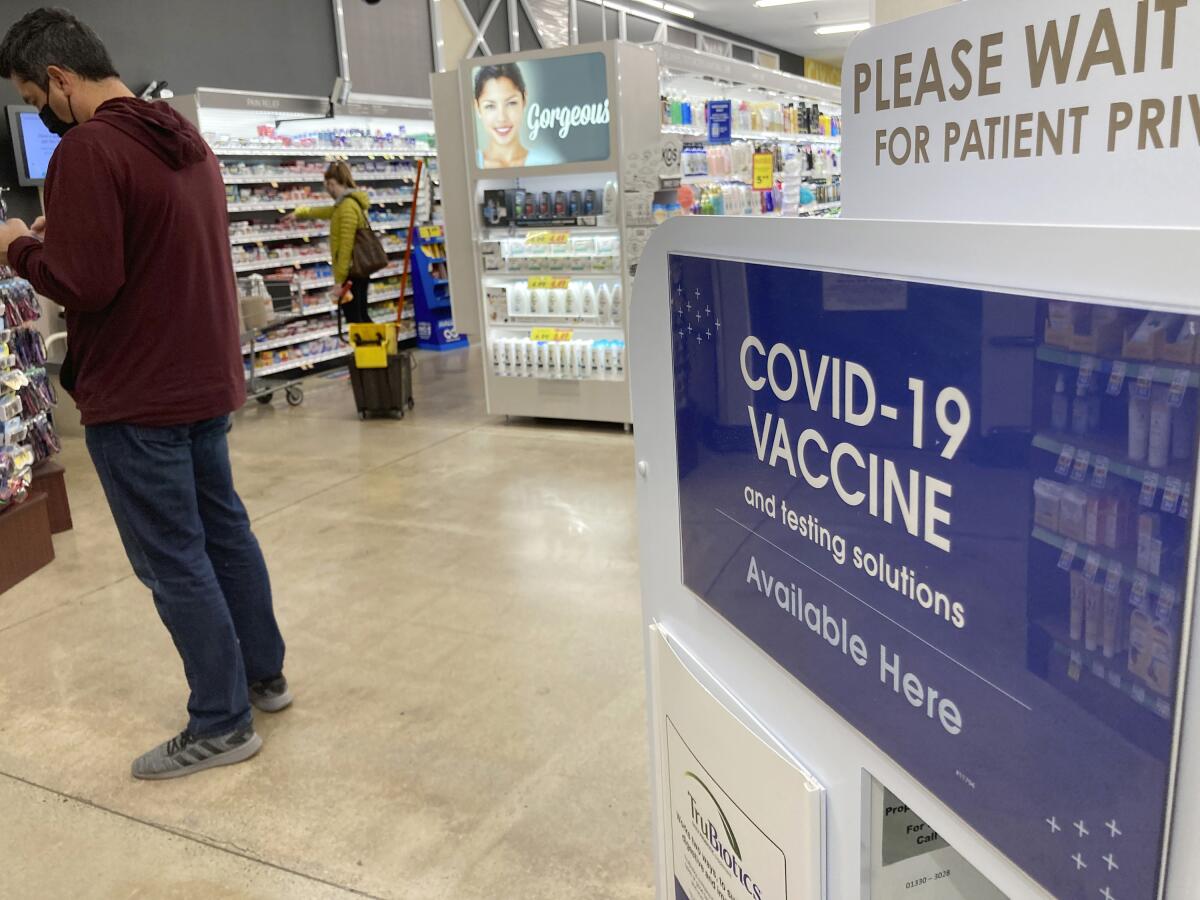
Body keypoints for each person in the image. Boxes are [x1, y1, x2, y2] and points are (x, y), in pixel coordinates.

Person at [0, 8, 290, 780]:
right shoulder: (180, 138)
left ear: (59, 79)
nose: (39, 114)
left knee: (173, 559)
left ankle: (221, 722)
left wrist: (21, 245)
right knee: (225, 535)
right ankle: (263, 677)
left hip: (136, 393)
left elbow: (85, 283)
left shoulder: (91, 150)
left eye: (34, 97)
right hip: (202, 380)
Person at [282, 161, 372, 323]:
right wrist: (300, 213)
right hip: (356, 271)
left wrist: (340, 281)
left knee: (356, 320)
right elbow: (327, 211)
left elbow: (346, 247)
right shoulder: (345, 205)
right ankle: (375, 347)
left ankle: (372, 348)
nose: (328, 189)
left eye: (330, 184)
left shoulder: (347, 206)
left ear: (338, 183)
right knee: (360, 317)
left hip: (351, 273)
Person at [474, 62, 530, 169]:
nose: (501, 118)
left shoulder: (549, 160)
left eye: (511, 103)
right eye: (490, 106)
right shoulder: (470, 165)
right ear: (477, 107)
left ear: (524, 100)